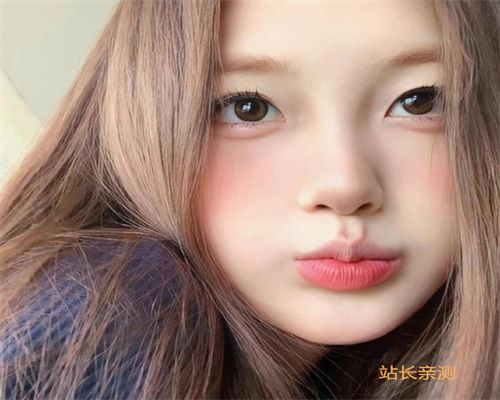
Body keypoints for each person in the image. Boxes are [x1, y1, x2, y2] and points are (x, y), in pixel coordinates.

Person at [0, 0, 498, 398]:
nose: (345, 186)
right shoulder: (115, 310)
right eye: (249, 107)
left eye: (420, 100)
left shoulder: (398, 362)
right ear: (143, 124)